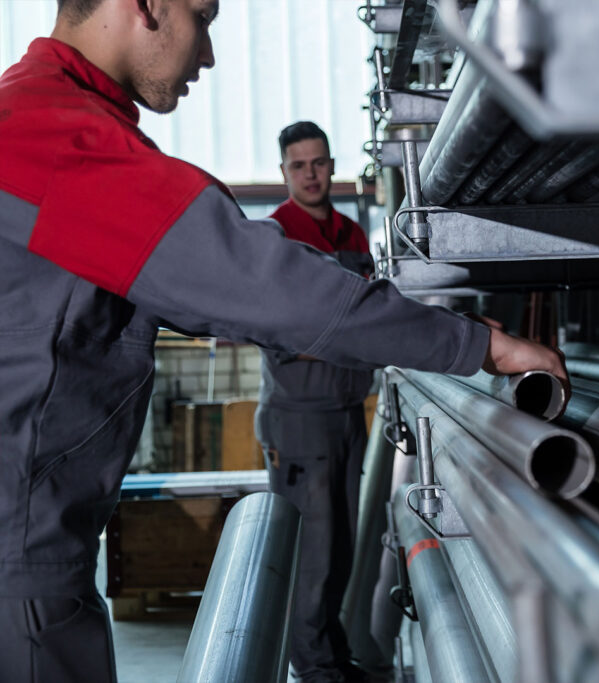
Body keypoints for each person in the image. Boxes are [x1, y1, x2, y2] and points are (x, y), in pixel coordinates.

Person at [0, 1, 568, 682]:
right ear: (146, 5)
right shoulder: (53, 142)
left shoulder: (33, 122)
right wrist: (479, 346)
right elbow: (262, 285)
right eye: (202, 17)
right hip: (18, 562)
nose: (207, 55)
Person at [257, 121, 378, 683]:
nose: (311, 174)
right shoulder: (276, 236)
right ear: (284, 173)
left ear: (332, 165)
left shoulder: (352, 235)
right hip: (301, 421)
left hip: (347, 414)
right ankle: (313, 669)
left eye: (319, 162)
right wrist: (352, 340)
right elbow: (278, 336)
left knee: (342, 548)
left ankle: (331, 654)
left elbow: (372, 314)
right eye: (299, 165)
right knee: (313, 550)